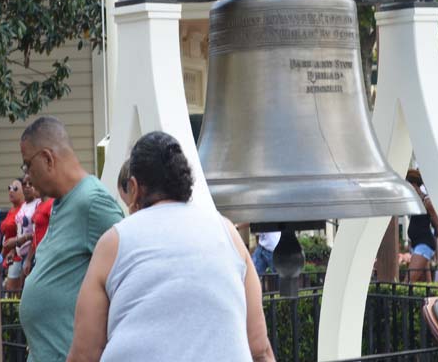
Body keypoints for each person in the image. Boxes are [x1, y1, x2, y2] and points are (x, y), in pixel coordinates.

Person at [67, 131, 275, 362]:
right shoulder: (228, 233)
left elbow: (84, 355)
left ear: (134, 187)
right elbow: (259, 347)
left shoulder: (114, 241)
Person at [18, 116, 124, 362]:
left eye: (27, 165)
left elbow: (128, 278)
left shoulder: (93, 203)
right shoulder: (60, 204)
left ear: (47, 158)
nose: (27, 176)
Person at [405, 170, 438, 283]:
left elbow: (437, 223)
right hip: (417, 244)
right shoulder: (414, 201)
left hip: (424, 244)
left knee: (408, 282)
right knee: (427, 283)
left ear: (414, 184)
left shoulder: (426, 201)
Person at [0, 178, 24, 292]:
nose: (11, 191)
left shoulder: (24, 210)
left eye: (15, 188)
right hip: (5, 255)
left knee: (12, 292)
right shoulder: (11, 210)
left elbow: (25, 232)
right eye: (9, 188)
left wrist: (13, 249)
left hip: (16, 257)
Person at [24, 194, 54, 277]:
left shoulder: (51, 204)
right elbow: (35, 234)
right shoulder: (39, 204)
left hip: (47, 256)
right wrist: (28, 259)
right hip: (37, 255)